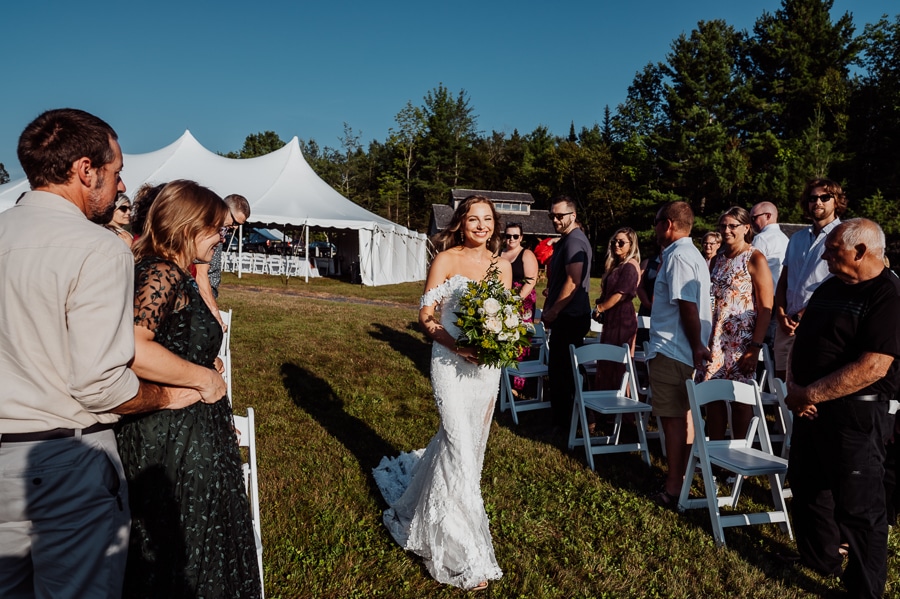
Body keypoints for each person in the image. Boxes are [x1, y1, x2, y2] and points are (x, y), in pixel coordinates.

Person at [0, 108, 206, 599]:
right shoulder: (97, 248)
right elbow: (100, 384)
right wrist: (166, 396)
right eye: (114, 173)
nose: (119, 187)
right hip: (67, 459)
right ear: (84, 170)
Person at [116, 180, 261, 598]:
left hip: (195, 428)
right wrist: (203, 377)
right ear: (187, 226)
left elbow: (170, 341)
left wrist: (200, 361)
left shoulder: (181, 272)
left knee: (205, 542)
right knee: (185, 549)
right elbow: (134, 348)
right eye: (215, 228)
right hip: (168, 437)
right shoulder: (159, 271)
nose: (221, 236)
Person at [372, 196, 511, 591]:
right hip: (449, 363)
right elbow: (426, 316)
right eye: (473, 219)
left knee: (473, 449)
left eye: (487, 220)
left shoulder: (502, 266)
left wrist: (498, 342)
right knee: (458, 446)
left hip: (487, 370)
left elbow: (502, 314)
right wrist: (456, 345)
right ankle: (461, 551)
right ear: (461, 224)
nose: (481, 226)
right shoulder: (446, 260)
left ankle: (428, 512)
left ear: (494, 225)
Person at [784, 219, 900, 598]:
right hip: (811, 409)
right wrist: (794, 386)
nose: (825, 254)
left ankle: (864, 590)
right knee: (808, 489)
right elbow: (801, 338)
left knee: (860, 508)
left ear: (861, 251)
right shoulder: (832, 286)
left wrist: (810, 394)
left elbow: (874, 365)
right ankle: (820, 560)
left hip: (855, 416)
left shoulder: (888, 294)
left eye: (834, 249)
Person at [645, 201, 712, 508]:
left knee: (673, 420)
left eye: (657, 221)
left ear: (668, 224)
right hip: (680, 348)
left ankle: (674, 487)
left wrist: (697, 344)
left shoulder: (680, 257)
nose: (655, 227)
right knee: (681, 417)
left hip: (673, 348)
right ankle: (679, 480)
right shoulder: (688, 254)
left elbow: (687, 304)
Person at [697, 206, 773, 441]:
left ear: (746, 228)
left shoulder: (755, 257)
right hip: (716, 338)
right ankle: (715, 455)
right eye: (723, 226)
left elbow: (765, 306)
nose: (727, 230)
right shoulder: (718, 259)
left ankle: (739, 456)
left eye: (733, 226)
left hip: (742, 341)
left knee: (740, 400)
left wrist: (755, 347)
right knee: (713, 396)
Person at [773, 178, 845, 379]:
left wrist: (800, 316)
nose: (818, 202)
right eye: (813, 198)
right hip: (787, 324)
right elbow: (784, 280)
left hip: (819, 323)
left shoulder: (844, 236)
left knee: (811, 385)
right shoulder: (796, 238)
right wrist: (780, 313)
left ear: (836, 201)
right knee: (782, 385)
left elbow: (839, 284)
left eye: (825, 197)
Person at [541, 196, 593, 429]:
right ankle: (576, 418)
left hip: (570, 316)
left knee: (563, 372)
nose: (555, 219)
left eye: (559, 215)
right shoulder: (568, 240)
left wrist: (553, 310)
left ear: (572, 216)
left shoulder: (574, 241)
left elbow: (573, 281)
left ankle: (565, 423)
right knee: (566, 370)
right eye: (552, 215)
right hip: (568, 314)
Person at [593, 227, 641, 392]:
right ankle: (606, 402)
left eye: (622, 242)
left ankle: (622, 409)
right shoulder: (617, 265)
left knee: (619, 364)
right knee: (607, 361)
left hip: (623, 319)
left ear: (631, 244)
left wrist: (601, 307)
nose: (617, 245)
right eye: (614, 241)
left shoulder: (630, 266)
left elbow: (621, 294)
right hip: (612, 318)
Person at [194, 194, 251, 329]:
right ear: (225, 209)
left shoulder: (222, 230)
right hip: (199, 299)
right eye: (235, 222)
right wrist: (215, 314)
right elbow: (200, 275)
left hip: (208, 297)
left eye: (240, 225)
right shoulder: (207, 229)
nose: (236, 227)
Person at [500, 222, 538, 321]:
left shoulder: (527, 254)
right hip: (501, 300)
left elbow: (531, 281)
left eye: (515, 236)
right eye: (508, 236)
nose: (511, 239)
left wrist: (516, 301)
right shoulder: (498, 253)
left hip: (522, 302)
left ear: (521, 238)